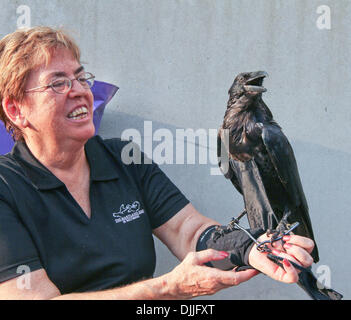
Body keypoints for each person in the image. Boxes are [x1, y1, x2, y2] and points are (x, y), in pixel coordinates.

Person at [0, 26, 314, 300]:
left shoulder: (124, 158)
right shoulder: (6, 187)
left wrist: (249, 247)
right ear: (16, 111)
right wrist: (165, 290)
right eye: (58, 83)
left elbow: (189, 231)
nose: (80, 91)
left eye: (81, 78)